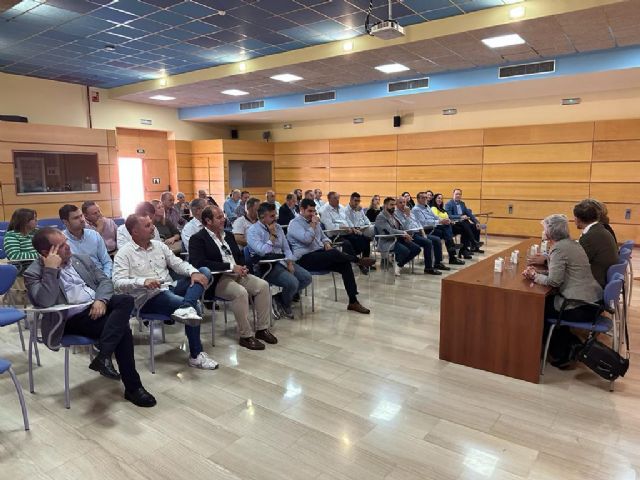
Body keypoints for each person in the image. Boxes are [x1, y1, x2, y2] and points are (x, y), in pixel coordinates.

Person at [24, 227, 156, 407]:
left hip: (97, 307)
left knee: (125, 300)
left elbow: (105, 281)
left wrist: (101, 300)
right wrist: (51, 270)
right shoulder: (33, 273)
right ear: (47, 252)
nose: (68, 247)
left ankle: (104, 357)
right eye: (61, 246)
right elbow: (44, 302)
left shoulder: (81, 259)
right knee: (123, 330)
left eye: (66, 242)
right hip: (72, 319)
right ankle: (132, 387)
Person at [112, 214, 217, 369]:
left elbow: (178, 264)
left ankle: (186, 306)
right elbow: (117, 282)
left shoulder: (158, 245)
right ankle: (196, 356)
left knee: (203, 271)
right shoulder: (124, 253)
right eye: (147, 225)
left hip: (169, 287)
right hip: (148, 298)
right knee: (195, 307)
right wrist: (142, 281)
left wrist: (193, 272)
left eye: (151, 224)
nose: (153, 227)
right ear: (135, 231)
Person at [189, 206, 278, 350]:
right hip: (217, 279)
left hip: (237, 274)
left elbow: (238, 256)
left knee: (263, 286)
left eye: (222, 216)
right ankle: (245, 336)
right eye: (219, 217)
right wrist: (230, 267)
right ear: (208, 221)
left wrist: (242, 266)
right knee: (240, 292)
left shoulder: (228, 235)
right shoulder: (198, 239)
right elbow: (199, 263)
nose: (223, 219)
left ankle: (262, 329)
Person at [523, 214, 603, 368]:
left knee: (537, 309)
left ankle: (561, 352)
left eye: (544, 229)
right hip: (593, 300)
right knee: (546, 303)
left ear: (550, 232)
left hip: (581, 306)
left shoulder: (558, 249)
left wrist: (534, 276)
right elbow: (562, 272)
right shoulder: (571, 244)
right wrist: (540, 273)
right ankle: (567, 345)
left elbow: (554, 281)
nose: (543, 231)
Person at [287, 199, 372, 314]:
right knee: (334, 253)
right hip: (304, 258)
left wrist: (327, 243)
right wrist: (313, 225)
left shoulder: (314, 221)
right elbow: (307, 239)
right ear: (301, 210)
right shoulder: (294, 224)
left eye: (314, 211)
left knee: (345, 264)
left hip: (320, 254)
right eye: (309, 211)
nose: (312, 214)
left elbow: (324, 237)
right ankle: (357, 260)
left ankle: (353, 301)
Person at [247, 202, 312, 319]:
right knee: (293, 283)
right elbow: (263, 252)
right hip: (266, 266)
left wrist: (290, 262)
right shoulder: (253, 230)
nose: (275, 218)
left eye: (275, 214)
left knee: (306, 278)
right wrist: (272, 236)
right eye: (272, 216)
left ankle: (278, 299)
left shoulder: (278, 227)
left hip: (282, 261)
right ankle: (286, 305)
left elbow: (286, 248)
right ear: (262, 217)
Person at [320, 191, 374, 273]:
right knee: (347, 243)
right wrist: (343, 227)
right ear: (329, 199)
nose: (337, 200)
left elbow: (347, 220)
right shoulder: (325, 211)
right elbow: (330, 227)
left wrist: (352, 228)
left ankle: (365, 262)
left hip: (347, 233)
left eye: (338, 198)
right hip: (335, 235)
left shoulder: (341, 208)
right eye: (335, 198)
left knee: (365, 239)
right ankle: (359, 262)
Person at [395, 196, 446, 275]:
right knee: (428, 243)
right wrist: (407, 215)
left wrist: (423, 233)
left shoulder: (410, 212)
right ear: (396, 204)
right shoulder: (396, 214)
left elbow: (418, 223)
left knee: (436, 239)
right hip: (409, 234)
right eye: (400, 203)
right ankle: (428, 268)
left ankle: (437, 263)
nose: (403, 204)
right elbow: (405, 227)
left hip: (418, 233)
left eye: (404, 202)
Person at [573, 199, 619, 287]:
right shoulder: (599, 230)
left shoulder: (590, 236)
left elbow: (575, 264)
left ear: (578, 219)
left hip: (593, 285)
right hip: (602, 278)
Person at [60, 204, 112, 277]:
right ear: (66, 222)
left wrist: (106, 278)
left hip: (101, 276)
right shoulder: (61, 241)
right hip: (78, 280)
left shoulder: (94, 235)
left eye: (81, 216)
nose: (82, 220)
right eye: (76, 218)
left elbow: (107, 262)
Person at [413, 192, 464, 265]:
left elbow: (435, 216)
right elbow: (424, 222)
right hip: (425, 230)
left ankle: (450, 256)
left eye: (426, 198)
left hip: (433, 227)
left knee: (446, 228)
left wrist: (443, 220)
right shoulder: (416, 209)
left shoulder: (427, 206)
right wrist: (440, 221)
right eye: (422, 198)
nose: (425, 199)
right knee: (445, 232)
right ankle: (451, 254)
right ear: (418, 199)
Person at [375, 197, 421, 276]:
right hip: (388, 241)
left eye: (394, 205)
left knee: (416, 249)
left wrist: (405, 235)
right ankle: (397, 264)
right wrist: (403, 233)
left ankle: (399, 265)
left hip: (398, 238)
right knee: (405, 250)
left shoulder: (394, 215)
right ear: (385, 205)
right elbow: (390, 231)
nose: (393, 206)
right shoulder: (381, 216)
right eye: (391, 205)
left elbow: (402, 227)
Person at [430, 193, 472, 259]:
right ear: (434, 199)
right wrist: (445, 220)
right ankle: (453, 250)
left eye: (441, 199)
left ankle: (463, 249)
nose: (440, 200)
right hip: (438, 226)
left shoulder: (442, 209)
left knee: (464, 228)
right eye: (438, 198)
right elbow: (436, 217)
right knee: (448, 229)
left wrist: (449, 220)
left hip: (447, 225)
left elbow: (448, 217)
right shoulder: (433, 208)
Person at [445, 188, 483, 254]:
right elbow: (449, 215)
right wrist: (460, 217)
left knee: (475, 227)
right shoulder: (449, 204)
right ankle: (468, 246)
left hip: (463, 224)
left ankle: (474, 248)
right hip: (454, 224)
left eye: (459, 194)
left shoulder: (462, 203)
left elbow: (469, 214)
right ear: (453, 194)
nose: (458, 195)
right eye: (456, 194)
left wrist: (476, 222)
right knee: (465, 226)